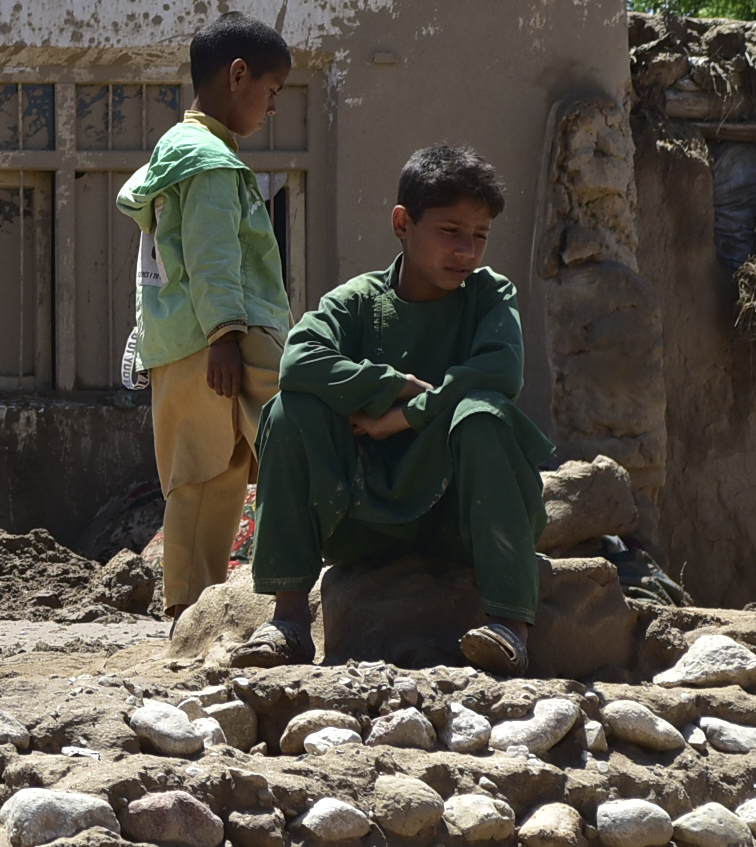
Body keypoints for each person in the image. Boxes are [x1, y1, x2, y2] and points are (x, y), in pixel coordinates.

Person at [235, 143, 553, 673]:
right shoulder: (355, 303)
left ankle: (509, 629)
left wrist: (407, 416)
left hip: (458, 520)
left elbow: (501, 372)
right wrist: (392, 384)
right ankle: (288, 623)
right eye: (450, 232)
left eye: (480, 236)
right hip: (364, 519)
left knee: (483, 415)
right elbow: (299, 362)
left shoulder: (490, 296)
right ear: (403, 223)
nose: (467, 252)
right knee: (290, 412)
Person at [117, 14, 296, 620]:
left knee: (210, 475)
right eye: (272, 92)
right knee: (294, 447)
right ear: (238, 75)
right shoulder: (210, 161)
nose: (273, 108)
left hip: (181, 344)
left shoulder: (178, 153)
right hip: (226, 341)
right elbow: (212, 256)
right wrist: (224, 336)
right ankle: (244, 600)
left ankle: (194, 607)